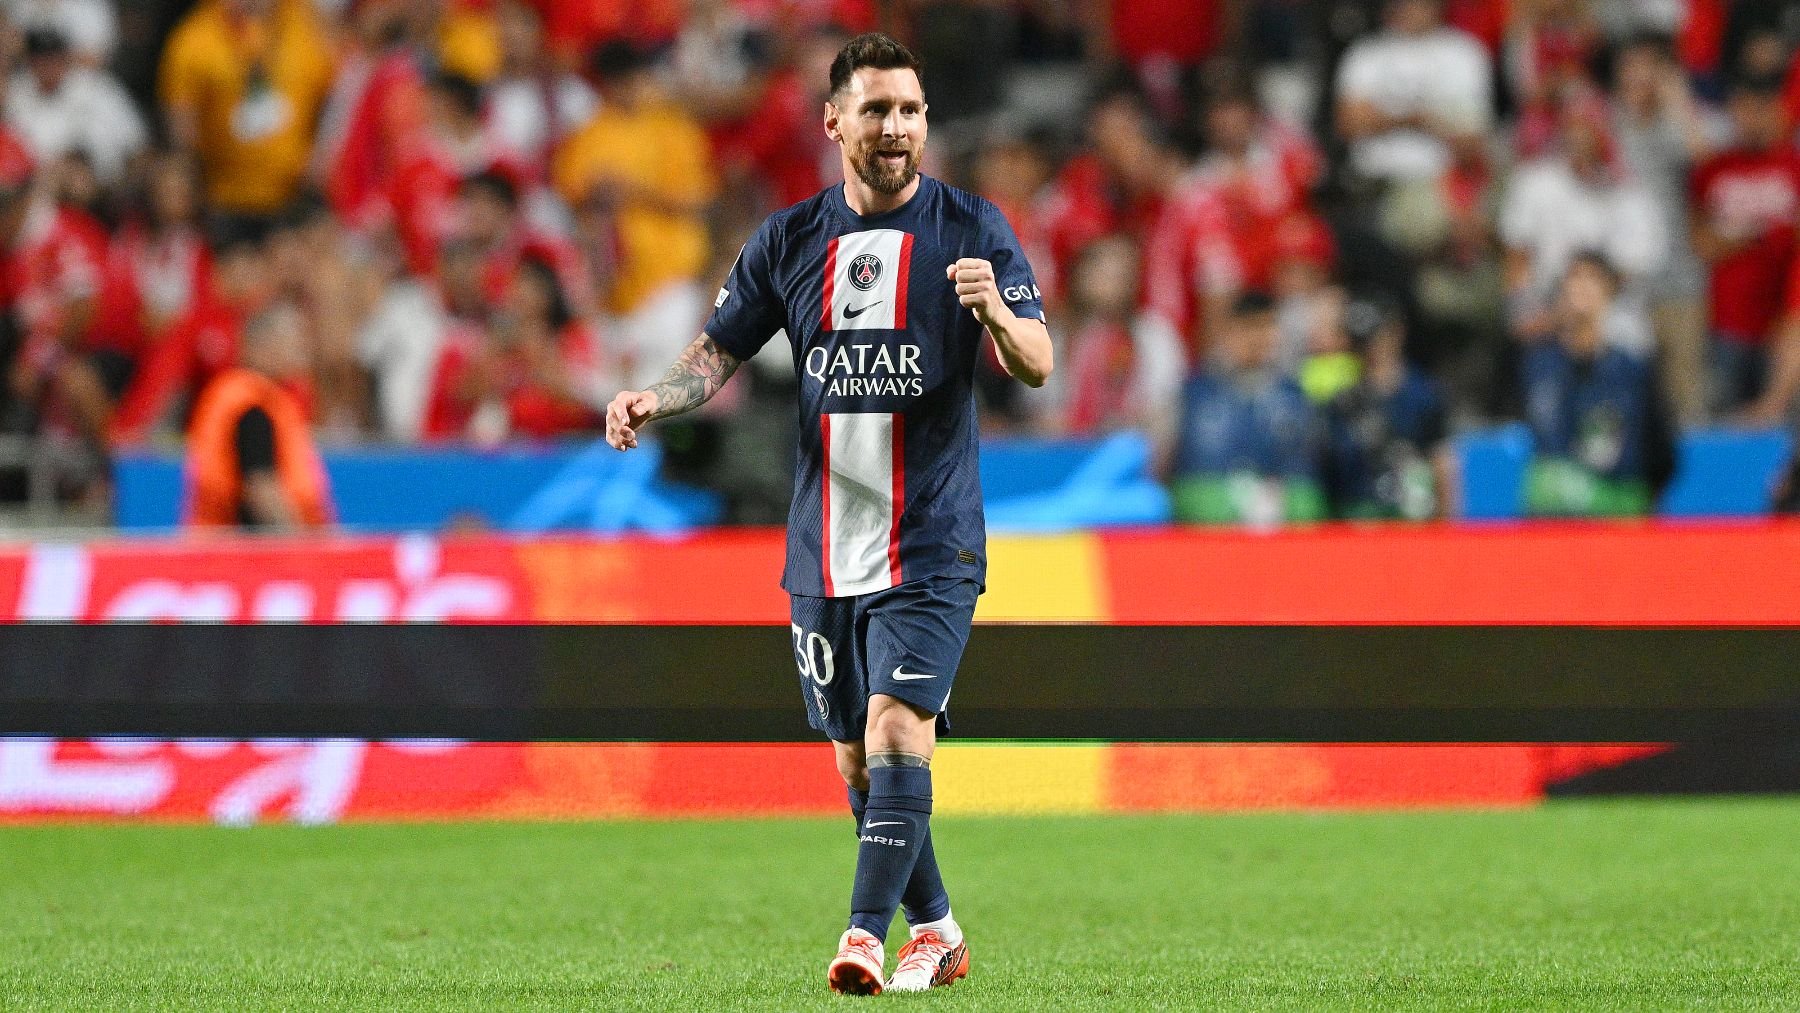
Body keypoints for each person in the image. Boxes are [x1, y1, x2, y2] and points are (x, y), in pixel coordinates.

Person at [601, 33, 1052, 995]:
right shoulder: (789, 240)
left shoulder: (974, 228)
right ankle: (935, 926)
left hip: (932, 535)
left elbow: (1039, 360)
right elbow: (716, 352)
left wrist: (1002, 322)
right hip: (824, 544)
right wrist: (654, 397)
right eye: (879, 110)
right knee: (855, 757)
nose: (897, 128)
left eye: (912, 111)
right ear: (834, 122)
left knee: (897, 729)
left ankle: (862, 938)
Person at [1169, 290, 1324, 526]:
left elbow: (1303, 470)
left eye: (1266, 326)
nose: (1257, 338)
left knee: (1305, 504)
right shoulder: (1196, 393)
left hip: (1278, 495)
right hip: (1214, 497)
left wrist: (1271, 495)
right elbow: (1182, 467)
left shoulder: (1294, 395)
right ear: (1228, 333)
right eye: (1249, 327)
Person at [1520, 253, 1655, 517]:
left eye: (1592, 279)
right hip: (1552, 517)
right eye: (1575, 278)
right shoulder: (1537, 366)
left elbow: (1658, 455)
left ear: (1610, 293)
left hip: (1614, 513)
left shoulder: (1631, 371)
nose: (1581, 288)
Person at [182, 300, 333, 530]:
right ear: (262, 345)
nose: (303, 346)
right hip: (240, 552)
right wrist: (301, 548)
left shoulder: (256, 396)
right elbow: (261, 489)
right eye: (295, 337)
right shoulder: (251, 405)